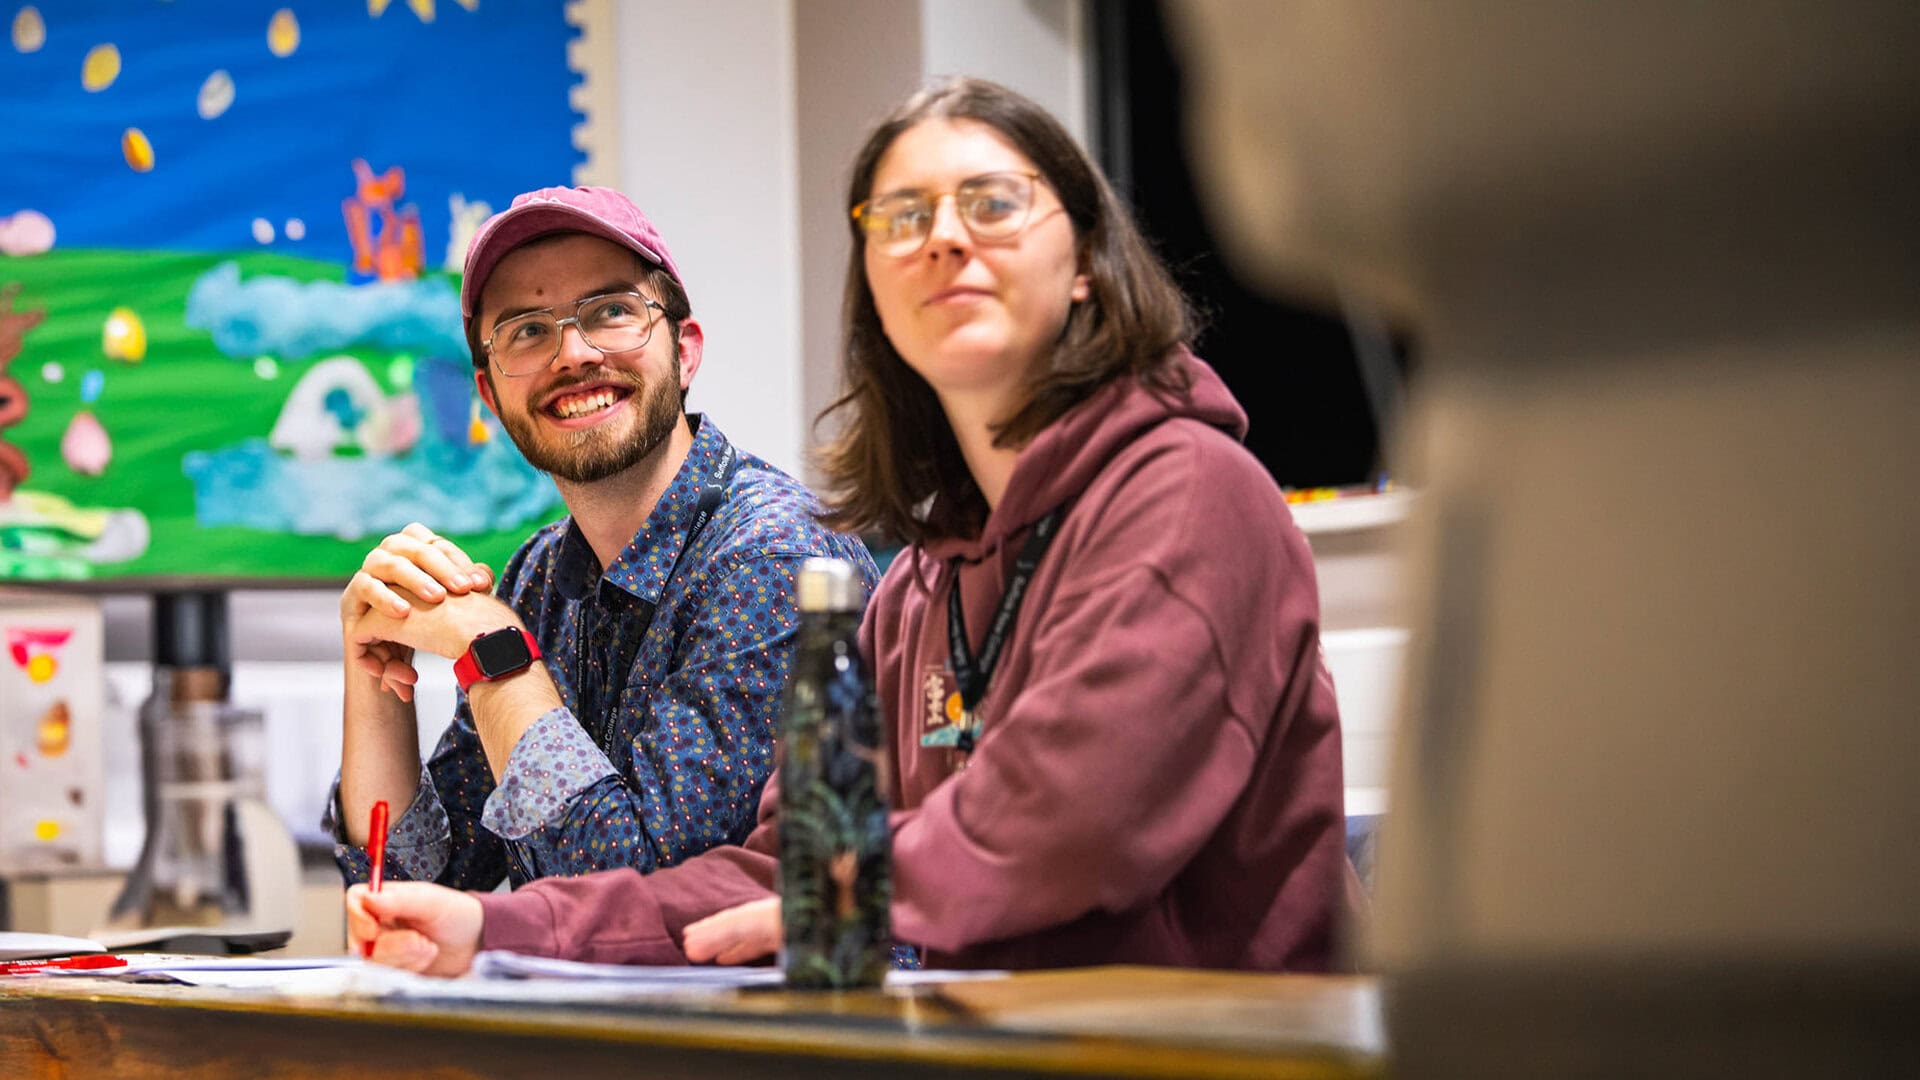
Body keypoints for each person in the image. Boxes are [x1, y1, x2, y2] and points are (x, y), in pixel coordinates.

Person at [347, 78, 1356, 974]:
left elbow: (1066, 828)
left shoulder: (1190, 493)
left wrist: (825, 883)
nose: (945, 238)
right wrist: (496, 930)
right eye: (904, 217)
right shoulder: (920, 580)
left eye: (993, 203)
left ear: (1086, 259)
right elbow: (777, 870)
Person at [325, 186, 878, 892]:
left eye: (611, 312)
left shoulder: (780, 558)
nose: (573, 353)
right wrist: (371, 669)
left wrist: (494, 652)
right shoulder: (539, 574)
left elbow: (635, 893)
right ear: (490, 396)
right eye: (527, 329)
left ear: (684, 350)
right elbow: (412, 886)